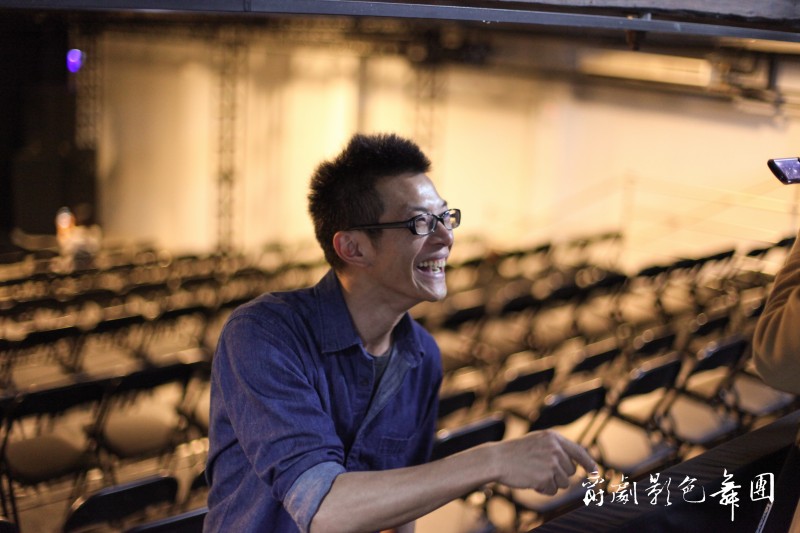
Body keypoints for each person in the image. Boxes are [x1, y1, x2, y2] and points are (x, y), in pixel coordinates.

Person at [204, 132, 596, 533]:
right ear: (353, 248)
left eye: (445, 217)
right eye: (421, 222)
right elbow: (324, 508)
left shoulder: (421, 354)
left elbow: (400, 509)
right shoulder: (263, 335)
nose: (446, 238)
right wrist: (491, 461)